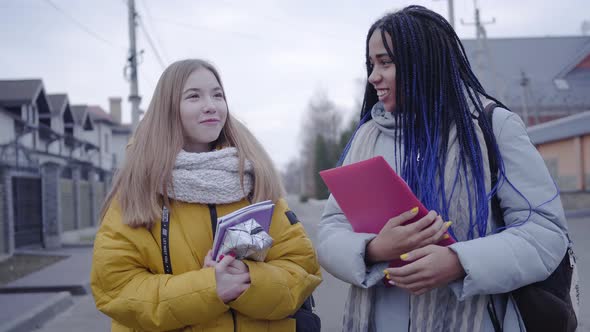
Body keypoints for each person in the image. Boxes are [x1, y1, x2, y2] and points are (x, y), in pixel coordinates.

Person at [317, 6, 570, 332]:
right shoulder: (367, 136)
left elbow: (545, 232)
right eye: (370, 64)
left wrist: (459, 263)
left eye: (385, 62)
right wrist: (374, 250)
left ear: (422, 62)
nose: (372, 76)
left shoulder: (492, 127)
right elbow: (330, 231)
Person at [91, 59, 322, 332]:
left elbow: (301, 268)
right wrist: (210, 287)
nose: (211, 105)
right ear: (168, 109)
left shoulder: (252, 179)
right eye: (194, 96)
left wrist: (249, 279)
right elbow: (117, 289)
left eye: (217, 95)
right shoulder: (138, 188)